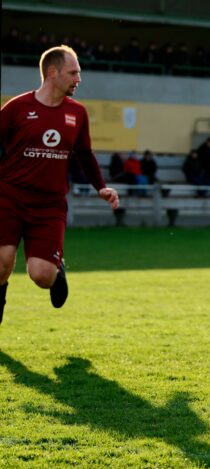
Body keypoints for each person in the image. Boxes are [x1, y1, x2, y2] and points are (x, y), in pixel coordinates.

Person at [0, 45, 120, 322]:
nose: (79, 79)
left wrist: (100, 186)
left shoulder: (77, 113)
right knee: (1, 265)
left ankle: (57, 270)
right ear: (52, 72)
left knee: (41, 276)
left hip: (49, 204)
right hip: (9, 197)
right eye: (73, 72)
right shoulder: (17, 108)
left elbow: (85, 153)